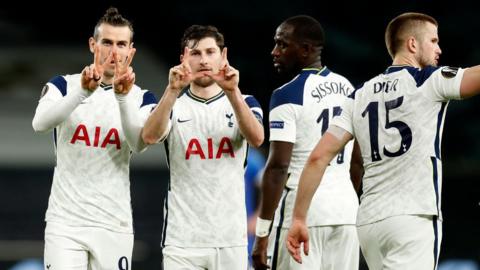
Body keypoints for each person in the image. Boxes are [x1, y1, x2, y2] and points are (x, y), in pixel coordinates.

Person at [287, 12, 480, 270]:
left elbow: (317, 157)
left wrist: (299, 218)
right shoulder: (429, 81)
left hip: (369, 224)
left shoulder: (358, 95)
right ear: (412, 44)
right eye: (433, 41)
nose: (439, 49)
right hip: (413, 217)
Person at [32, 7, 157, 270]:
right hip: (66, 222)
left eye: (121, 44)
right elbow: (40, 123)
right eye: (107, 42)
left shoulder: (143, 98)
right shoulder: (64, 85)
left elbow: (139, 143)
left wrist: (122, 97)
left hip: (114, 223)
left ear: (131, 51)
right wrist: (83, 93)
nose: (114, 51)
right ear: (93, 45)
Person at [141, 25, 264, 269]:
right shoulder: (173, 105)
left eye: (210, 52)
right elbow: (149, 136)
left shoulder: (246, 101)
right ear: (183, 59)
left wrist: (233, 91)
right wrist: (172, 89)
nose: (204, 60)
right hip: (182, 240)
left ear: (223, 56)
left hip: (231, 239)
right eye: (195, 53)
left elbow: (257, 137)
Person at [251, 15, 362, 270]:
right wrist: (346, 201)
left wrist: (261, 235)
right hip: (346, 213)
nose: (274, 51)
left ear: (305, 50)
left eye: (282, 44)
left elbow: (278, 167)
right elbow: (357, 161)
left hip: (302, 215)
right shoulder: (348, 89)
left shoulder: (287, 94)